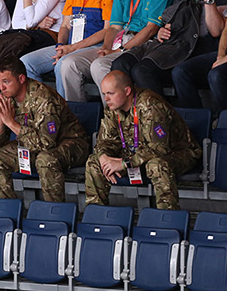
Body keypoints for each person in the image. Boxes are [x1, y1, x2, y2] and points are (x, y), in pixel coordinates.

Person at [56, 0, 175, 103]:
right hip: (117, 42)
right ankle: (77, 116)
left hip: (142, 43)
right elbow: (114, 27)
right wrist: (105, 48)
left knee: (99, 65)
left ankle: (114, 118)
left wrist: (119, 51)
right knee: (69, 64)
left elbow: (151, 29)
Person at [114, 0, 227, 101]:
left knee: (143, 70)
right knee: (121, 63)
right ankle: (134, 116)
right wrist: (161, 31)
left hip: (193, 50)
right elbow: (168, 23)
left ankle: (162, 116)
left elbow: (216, 31)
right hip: (169, 46)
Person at [85, 70, 201, 209]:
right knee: (94, 162)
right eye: (104, 94)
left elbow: (159, 148)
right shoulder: (112, 107)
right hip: (136, 154)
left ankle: (167, 218)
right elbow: (106, 140)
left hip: (177, 153)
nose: (106, 98)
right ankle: (97, 218)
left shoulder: (150, 105)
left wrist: (124, 163)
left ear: (127, 91)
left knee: (157, 165)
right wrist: (103, 157)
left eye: (110, 93)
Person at [0, 56, 89, 203]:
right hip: (32, 146)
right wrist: (1, 123)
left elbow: (46, 144)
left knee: (45, 159)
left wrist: (10, 122)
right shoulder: (4, 97)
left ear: (21, 79)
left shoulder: (44, 98)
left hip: (70, 144)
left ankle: (53, 213)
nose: (1, 87)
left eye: (6, 81)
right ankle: (8, 211)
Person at [21, 0, 118, 97]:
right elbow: (65, 26)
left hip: (94, 45)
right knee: (26, 63)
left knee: (63, 64)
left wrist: (72, 48)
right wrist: (60, 46)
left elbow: (107, 30)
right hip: (70, 45)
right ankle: (43, 109)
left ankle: (69, 113)